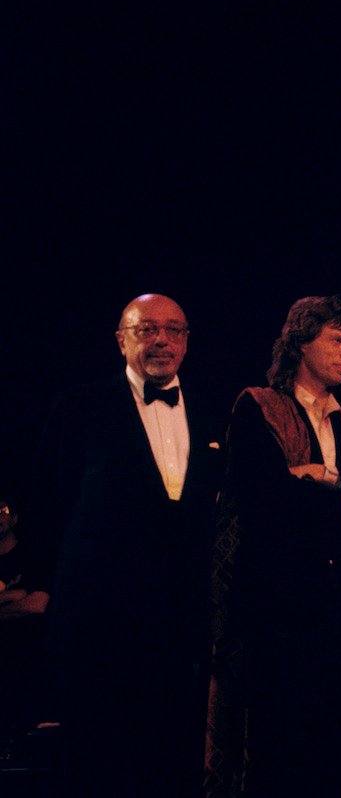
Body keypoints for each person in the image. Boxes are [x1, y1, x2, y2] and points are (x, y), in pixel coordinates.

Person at [30, 293, 223, 797]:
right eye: (146, 329)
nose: (162, 340)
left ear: (186, 341)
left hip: (183, 624)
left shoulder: (212, 408)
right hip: (100, 625)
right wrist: (52, 593)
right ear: (121, 341)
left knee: (175, 756)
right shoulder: (81, 407)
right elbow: (46, 505)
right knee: (102, 762)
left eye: (174, 330)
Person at [206, 296, 341, 797]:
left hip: (339, 602)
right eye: (337, 340)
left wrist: (311, 480)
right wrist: (322, 489)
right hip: (280, 604)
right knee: (282, 739)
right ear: (302, 342)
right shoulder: (259, 405)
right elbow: (262, 500)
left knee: (337, 735)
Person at [0, 497, 51, 741]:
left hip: (26, 662)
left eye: (3, 510)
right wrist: (15, 595)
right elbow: (23, 596)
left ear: (14, 517)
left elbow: (38, 604)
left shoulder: (32, 555)